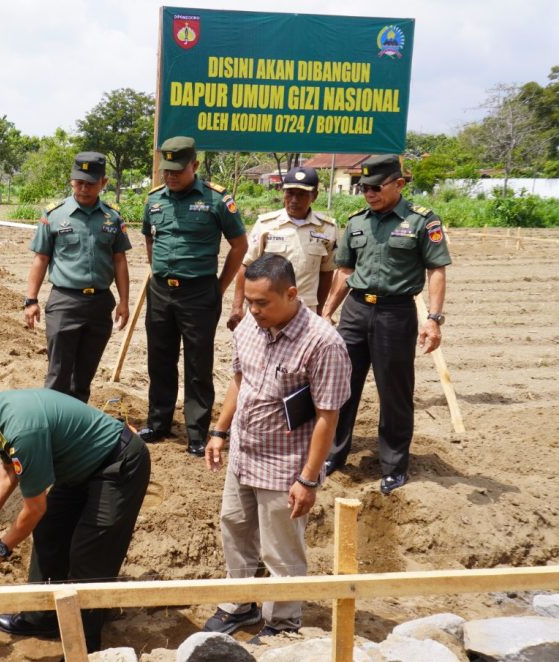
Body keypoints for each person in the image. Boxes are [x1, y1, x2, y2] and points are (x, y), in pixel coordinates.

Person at [0, 386, 150, 653]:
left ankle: (83, 648)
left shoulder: (21, 430)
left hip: (117, 464)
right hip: (77, 467)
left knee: (89, 556)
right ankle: (42, 617)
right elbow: (10, 468)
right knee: (48, 532)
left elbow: (34, 508)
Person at [202, 254, 351, 642]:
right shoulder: (249, 327)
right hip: (244, 454)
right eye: (249, 301)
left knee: (280, 549)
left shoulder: (323, 343)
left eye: (262, 303)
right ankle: (240, 604)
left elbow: (327, 416)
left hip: (286, 464)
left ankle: (282, 623)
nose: (253, 310)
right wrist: (220, 431)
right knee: (235, 527)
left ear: (291, 293)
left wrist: (308, 479)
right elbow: (240, 380)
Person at [320, 154, 452, 495]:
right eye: (364, 187)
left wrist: (434, 319)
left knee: (394, 392)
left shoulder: (421, 221)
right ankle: (332, 454)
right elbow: (344, 271)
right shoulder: (357, 222)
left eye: (376, 188)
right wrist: (327, 312)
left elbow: (436, 270)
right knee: (342, 386)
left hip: (396, 313)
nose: (369, 193)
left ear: (399, 184)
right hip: (356, 311)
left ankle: (393, 467)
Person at [141, 136, 248, 454]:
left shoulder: (217, 200)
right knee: (159, 358)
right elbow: (150, 238)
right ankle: (158, 422)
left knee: (198, 364)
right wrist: (159, 270)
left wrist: (219, 287)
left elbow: (239, 245)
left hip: (199, 292)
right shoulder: (154, 200)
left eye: (177, 170)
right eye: (166, 171)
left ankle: (197, 432)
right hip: (161, 291)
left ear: (195, 165)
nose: (170, 176)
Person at [24, 151, 131, 403]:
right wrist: (31, 300)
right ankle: (53, 420)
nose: (83, 188)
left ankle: (76, 421)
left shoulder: (113, 218)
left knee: (84, 376)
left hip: (100, 304)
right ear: (72, 180)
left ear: (103, 183)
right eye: (78, 182)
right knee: (58, 374)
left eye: (90, 183)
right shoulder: (54, 215)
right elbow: (41, 258)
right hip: (65, 303)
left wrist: (124, 302)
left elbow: (119, 260)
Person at [228, 166, 336, 330]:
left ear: (314, 196)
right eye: (290, 193)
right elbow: (246, 266)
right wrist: (237, 306)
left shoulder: (327, 229)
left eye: (301, 194)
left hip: (305, 313)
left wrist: (319, 311)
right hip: (265, 309)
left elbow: (326, 272)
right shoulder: (266, 224)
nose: (294, 200)